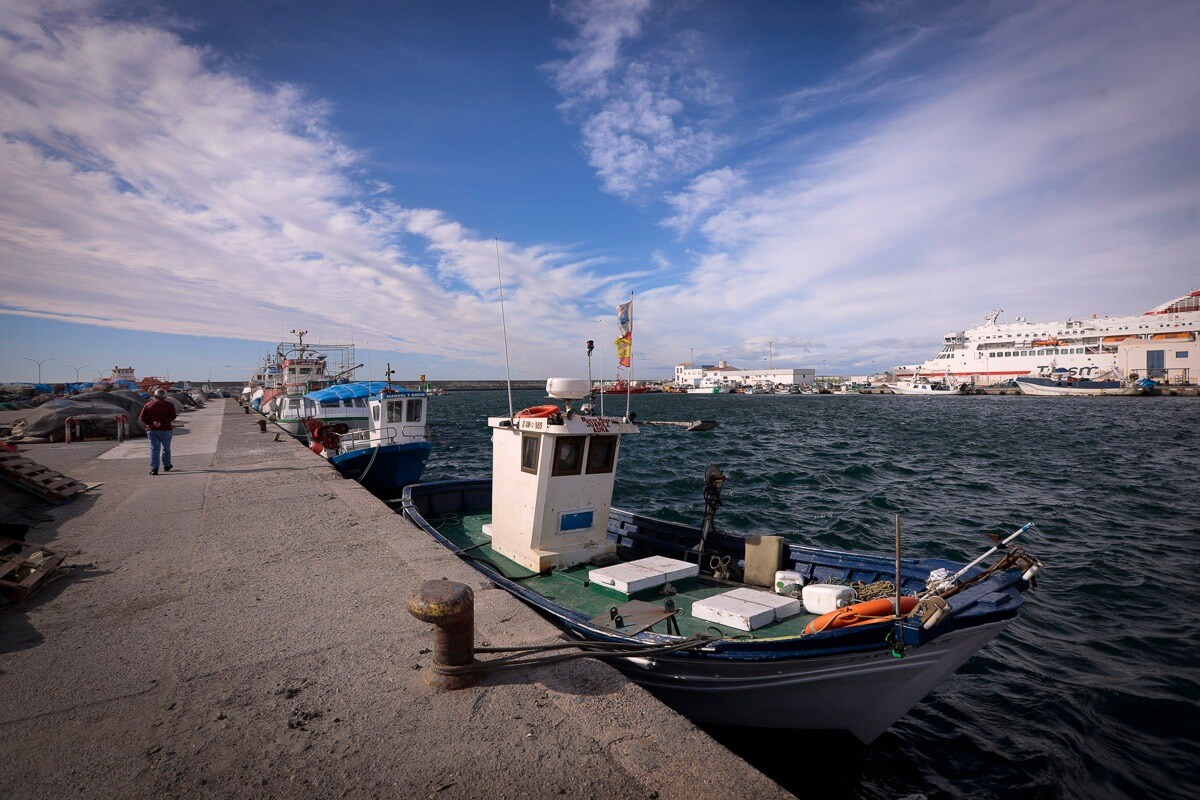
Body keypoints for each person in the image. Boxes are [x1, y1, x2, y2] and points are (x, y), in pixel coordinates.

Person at [138, 388, 178, 475]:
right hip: (166, 429)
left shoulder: (148, 405)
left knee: (154, 449)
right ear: (165, 396)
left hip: (152, 430)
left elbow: (142, 417)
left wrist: (152, 423)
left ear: (155, 396)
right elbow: (173, 416)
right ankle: (167, 466)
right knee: (166, 449)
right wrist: (162, 422)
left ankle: (154, 468)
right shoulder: (169, 405)